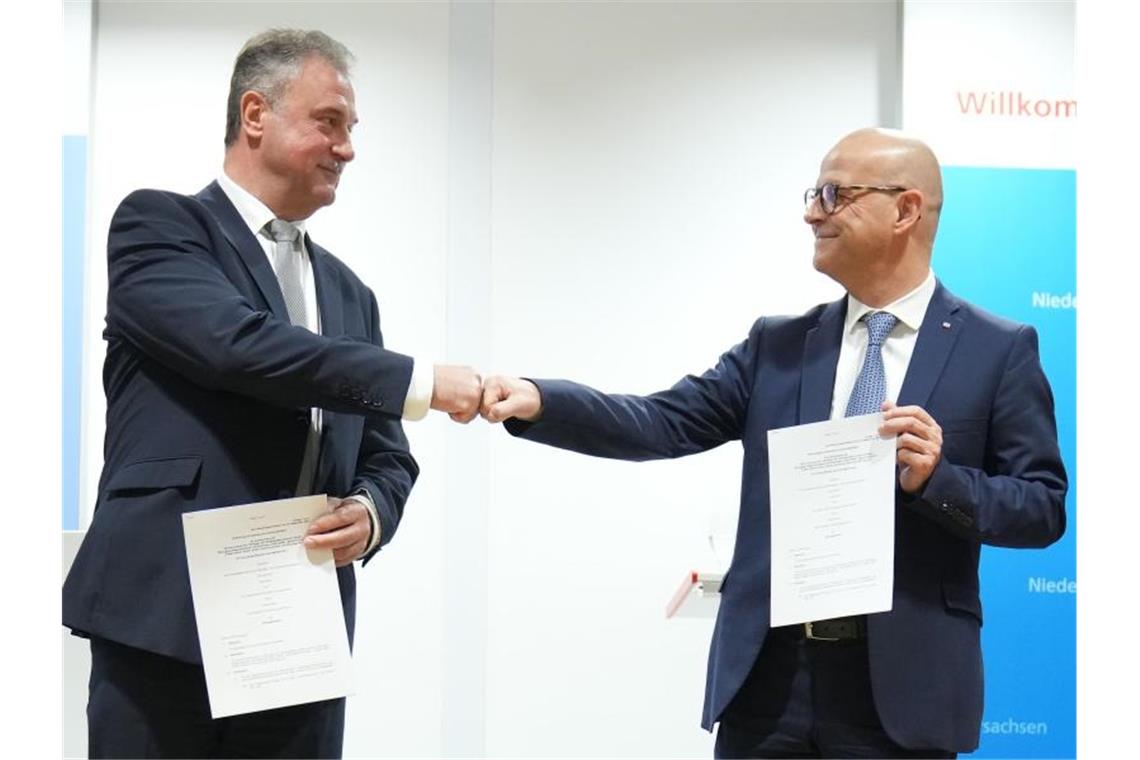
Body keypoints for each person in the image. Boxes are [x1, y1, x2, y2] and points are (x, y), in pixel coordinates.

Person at [480, 128, 1067, 758]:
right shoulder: (779, 346)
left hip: (902, 694)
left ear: (906, 210)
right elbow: (660, 421)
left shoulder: (997, 350)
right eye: (814, 192)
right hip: (769, 686)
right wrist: (541, 400)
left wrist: (938, 480)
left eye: (835, 193)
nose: (812, 211)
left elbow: (1041, 508)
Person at [62, 29, 482, 759]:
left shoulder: (353, 295)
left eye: (351, 130)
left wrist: (371, 512)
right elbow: (240, 348)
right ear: (255, 113)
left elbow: (389, 456)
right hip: (165, 620)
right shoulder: (160, 227)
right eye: (330, 122)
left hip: (297, 633)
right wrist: (421, 380)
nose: (347, 148)